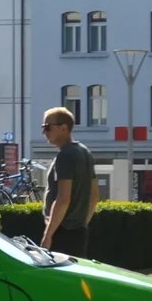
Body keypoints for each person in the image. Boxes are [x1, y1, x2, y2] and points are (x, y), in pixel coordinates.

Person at [38, 106, 95, 256]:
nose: (44, 132)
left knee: (57, 278)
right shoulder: (85, 152)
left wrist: (48, 235)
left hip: (62, 232)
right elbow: (94, 197)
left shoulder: (65, 155)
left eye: (47, 127)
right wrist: (82, 224)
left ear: (63, 128)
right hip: (78, 232)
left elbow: (63, 199)